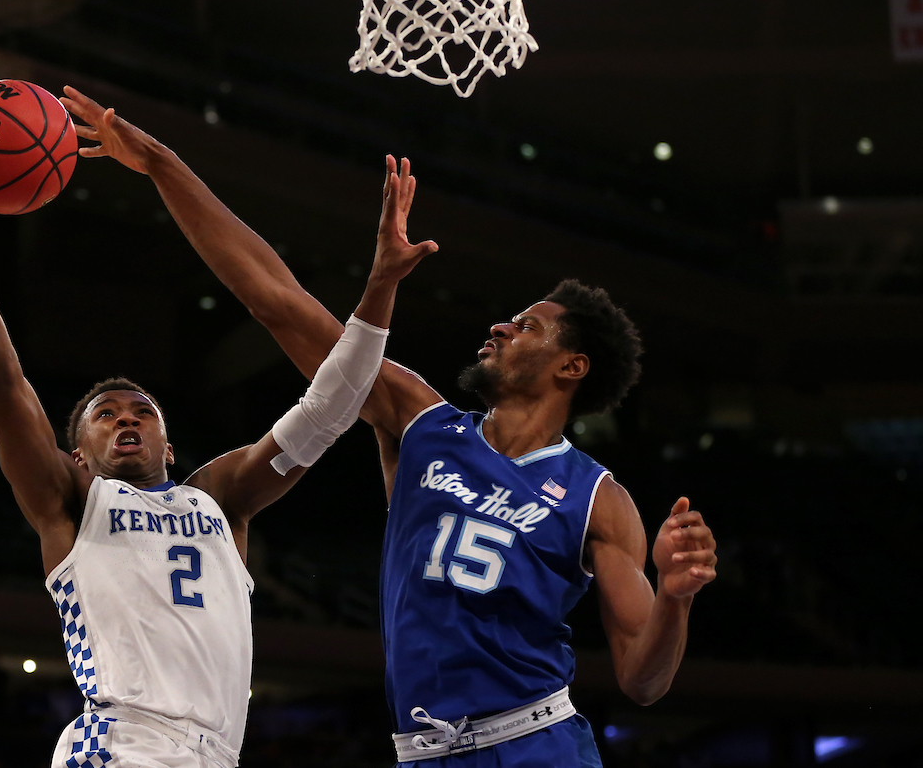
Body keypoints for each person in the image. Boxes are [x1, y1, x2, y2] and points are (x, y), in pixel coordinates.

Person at [60, 85, 719, 768]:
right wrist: (164, 165)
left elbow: (644, 678)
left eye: (527, 327)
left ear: (572, 367)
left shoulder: (598, 499)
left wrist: (675, 598)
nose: (499, 326)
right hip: (422, 754)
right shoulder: (420, 420)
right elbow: (278, 301)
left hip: (534, 744)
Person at [0, 95, 435, 768]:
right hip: (123, 744)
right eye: (105, 415)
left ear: (169, 446)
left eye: (142, 412)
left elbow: (330, 410)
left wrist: (379, 289)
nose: (126, 417)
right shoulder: (71, 500)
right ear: (78, 454)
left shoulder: (218, 498)